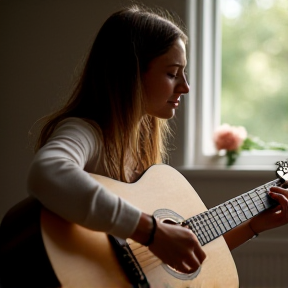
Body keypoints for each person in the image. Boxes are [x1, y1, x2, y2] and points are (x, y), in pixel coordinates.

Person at [27, 4, 288, 279]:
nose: (185, 86)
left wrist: (252, 227)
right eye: (172, 73)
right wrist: (151, 231)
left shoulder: (139, 151)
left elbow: (164, 263)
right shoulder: (86, 132)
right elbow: (46, 173)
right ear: (130, 74)